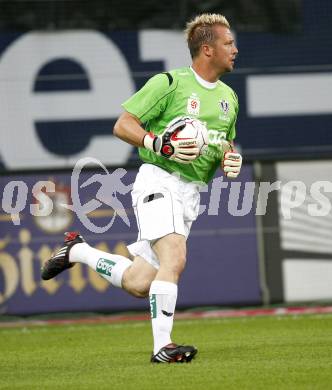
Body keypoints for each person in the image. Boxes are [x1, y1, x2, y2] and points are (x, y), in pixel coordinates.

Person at [41, 13, 242, 363]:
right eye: (228, 44)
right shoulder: (170, 83)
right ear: (207, 50)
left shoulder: (229, 98)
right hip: (159, 180)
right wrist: (160, 143)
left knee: (138, 282)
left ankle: (76, 252)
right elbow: (124, 125)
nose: (235, 50)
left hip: (190, 193)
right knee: (174, 257)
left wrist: (230, 158)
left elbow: (224, 144)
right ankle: (162, 347)